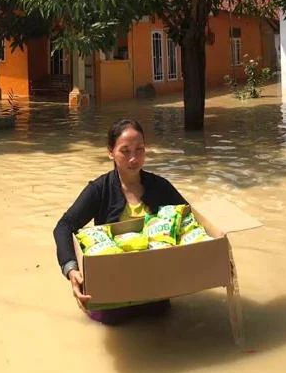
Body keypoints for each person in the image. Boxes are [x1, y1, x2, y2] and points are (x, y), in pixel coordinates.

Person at [52, 119, 187, 325]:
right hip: (112, 297)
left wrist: (215, 256)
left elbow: (189, 220)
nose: (134, 158)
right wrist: (72, 271)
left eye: (139, 149)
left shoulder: (160, 186)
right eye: (125, 151)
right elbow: (64, 226)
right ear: (110, 152)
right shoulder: (99, 189)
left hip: (155, 295)